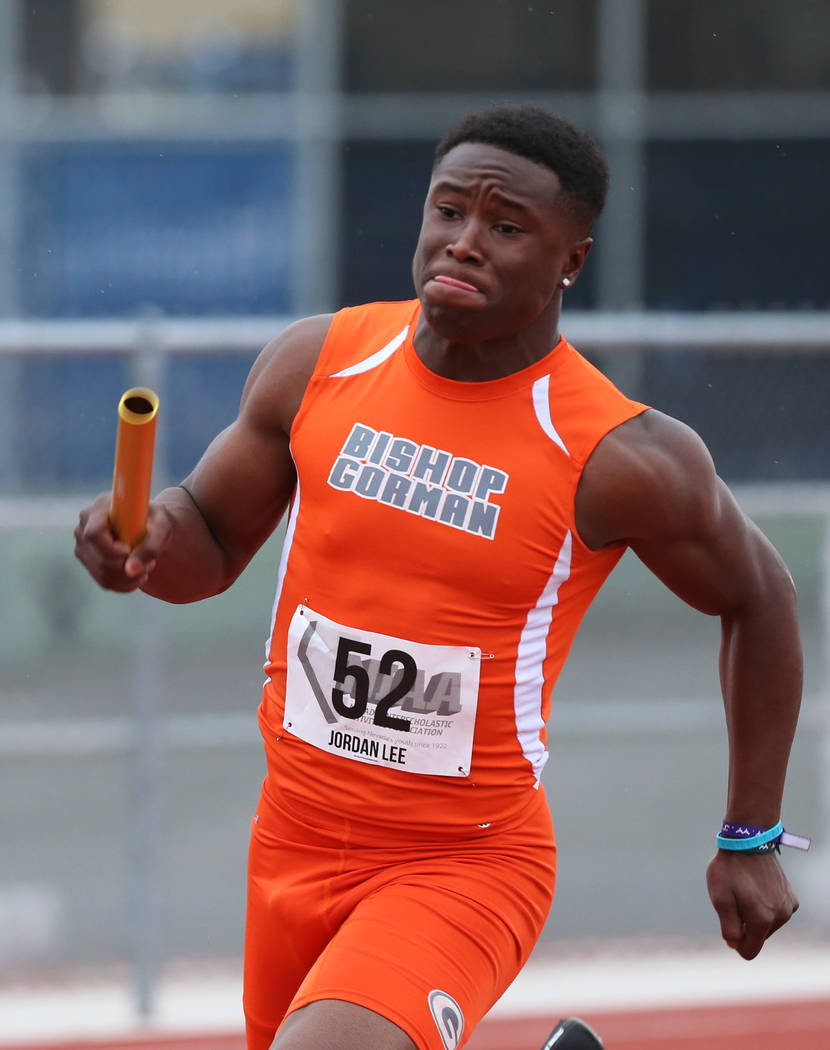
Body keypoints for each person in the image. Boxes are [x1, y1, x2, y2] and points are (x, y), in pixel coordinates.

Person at [74, 105, 804, 1050]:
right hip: (290, 837)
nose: (464, 242)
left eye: (506, 227)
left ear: (571, 260)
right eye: (449, 211)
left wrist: (752, 835)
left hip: (463, 863)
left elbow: (759, 597)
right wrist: (140, 541)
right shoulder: (320, 362)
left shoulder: (616, 453)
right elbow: (205, 541)